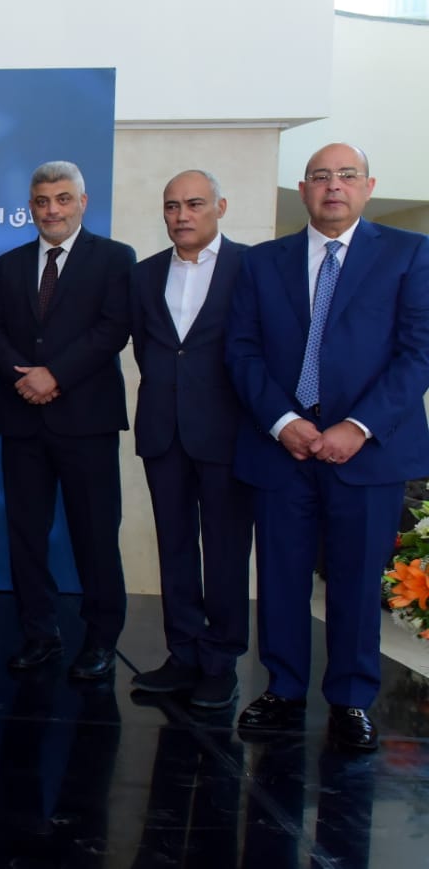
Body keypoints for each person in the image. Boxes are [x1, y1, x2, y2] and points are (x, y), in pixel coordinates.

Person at [227, 143, 429, 752]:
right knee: (282, 576)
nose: (332, 185)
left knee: (356, 580)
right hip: (281, 449)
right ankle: (283, 689)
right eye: (320, 176)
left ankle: (351, 699)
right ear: (304, 189)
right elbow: (242, 350)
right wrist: (283, 421)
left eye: (346, 175)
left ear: (368, 186)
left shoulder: (410, 253)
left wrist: (357, 427)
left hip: (368, 452)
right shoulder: (262, 262)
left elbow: (417, 354)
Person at [0, 160, 135, 679]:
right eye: (43, 201)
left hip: (87, 421)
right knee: (26, 535)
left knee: (95, 534)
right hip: (22, 418)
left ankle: (101, 639)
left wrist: (56, 375)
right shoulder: (8, 264)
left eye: (63, 199)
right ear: (31, 206)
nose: (52, 210)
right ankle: (39, 633)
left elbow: (113, 328)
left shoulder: (115, 258)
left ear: (83, 202)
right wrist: (24, 377)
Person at [129, 170, 252, 709]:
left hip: (227, 432)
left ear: (220, 207)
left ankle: (221, 662)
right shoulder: (144, 273)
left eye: (194, 204)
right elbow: (149, 349)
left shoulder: (251, 267)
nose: (182, 215)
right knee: (174, 546)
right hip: (163, 430)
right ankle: (182, 654)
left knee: (225, 550)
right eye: (172, 206)